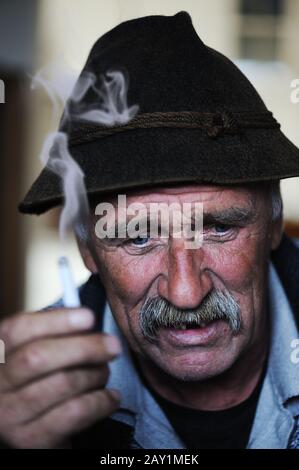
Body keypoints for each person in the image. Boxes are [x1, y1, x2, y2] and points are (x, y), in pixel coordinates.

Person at [1, 11, 299, 449]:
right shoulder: (27, 401)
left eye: (218, 228)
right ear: (87, 249)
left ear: (274, 224)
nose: (185, 293)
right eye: (138, 237)